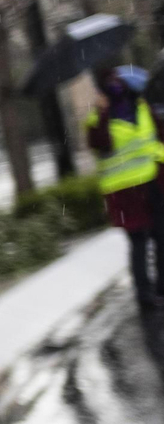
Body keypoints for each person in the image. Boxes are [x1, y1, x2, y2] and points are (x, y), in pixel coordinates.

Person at [86, 64, 164, 310]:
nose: (116, 85)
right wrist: (101, 113)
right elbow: (100, 143)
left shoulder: (141, 106)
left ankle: (159, 287)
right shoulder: (99, 117)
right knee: (140, 241)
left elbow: (158, 136)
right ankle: (145, 294)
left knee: (159, 236)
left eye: (117, 80)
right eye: (110, 81)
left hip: (151, 182)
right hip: (125, 192)